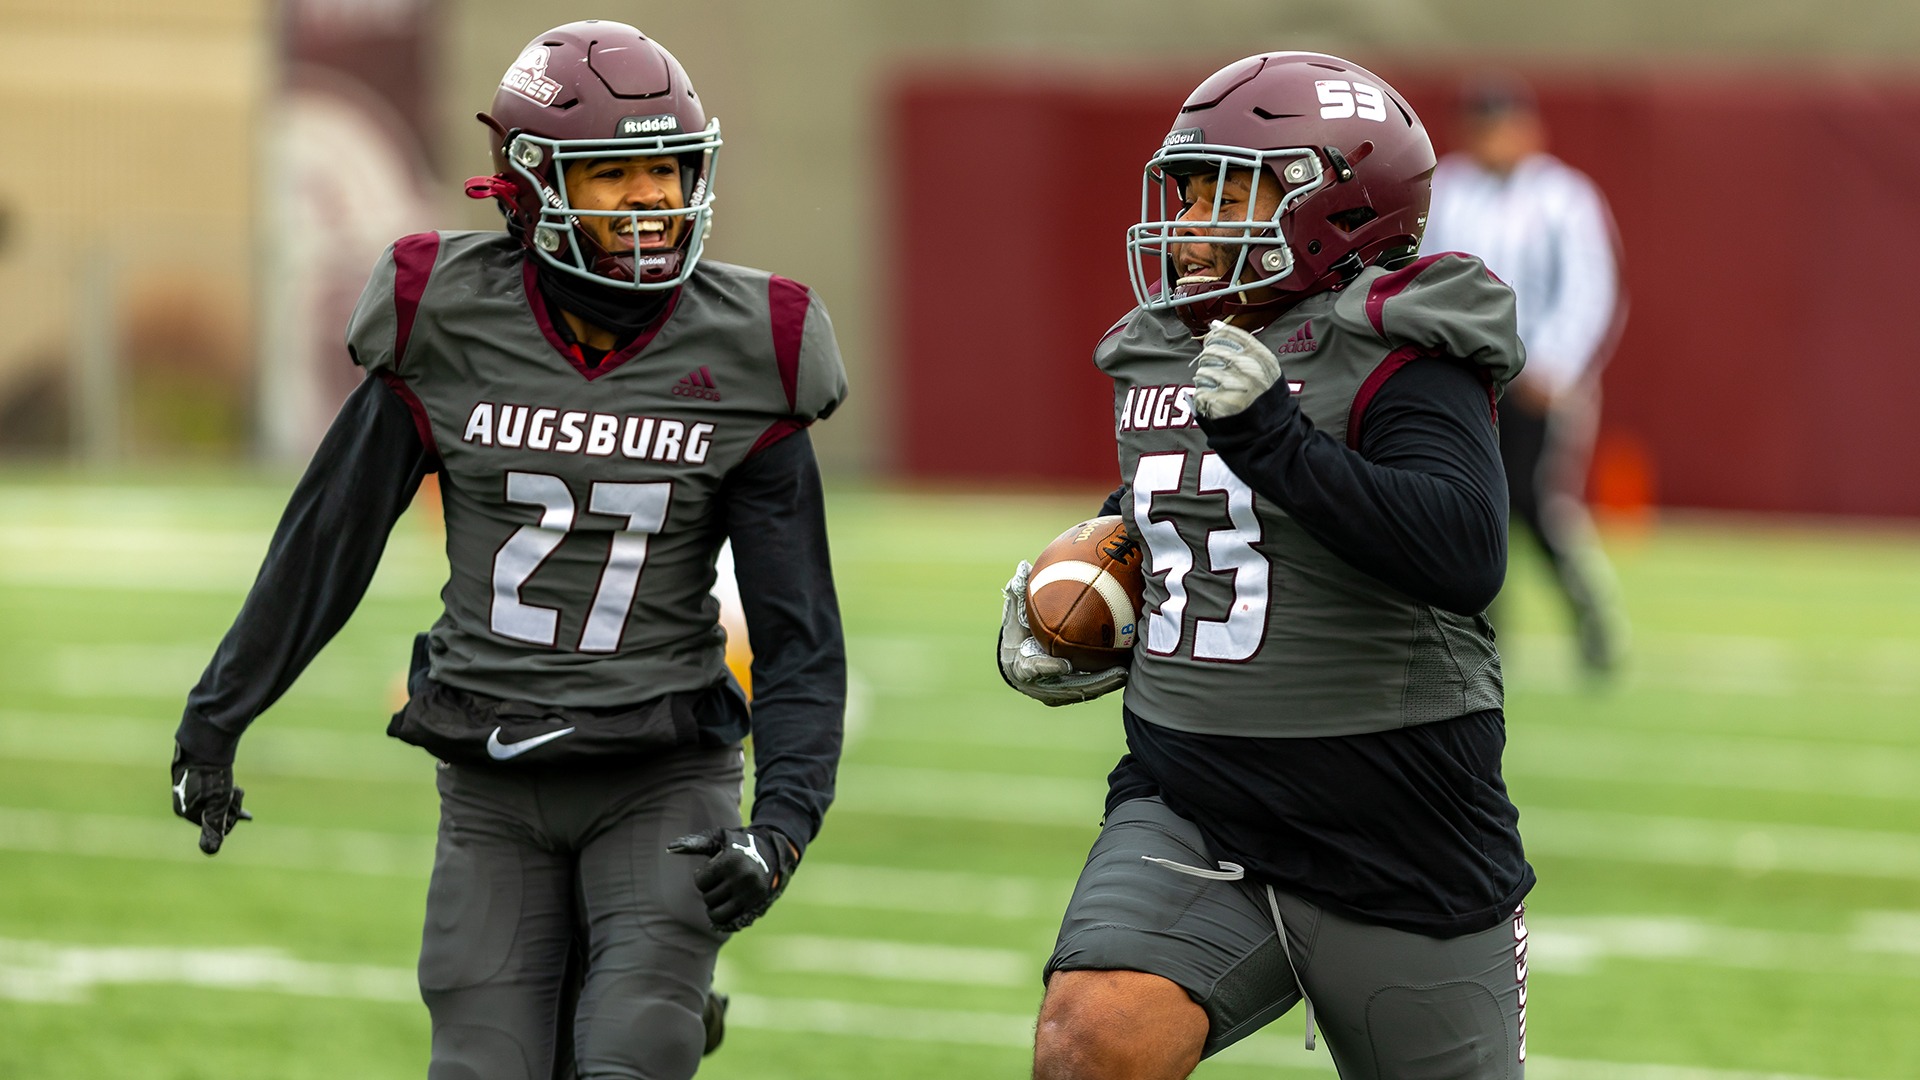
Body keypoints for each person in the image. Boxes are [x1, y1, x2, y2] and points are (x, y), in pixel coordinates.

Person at [169, 21, 848, 1080]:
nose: (652, 199)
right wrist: (219, 718)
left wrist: (784, 825)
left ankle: (655, 995)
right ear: (527, 185)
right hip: (489, 780)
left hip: (661, 775)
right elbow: (327, 542)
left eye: (668, 168)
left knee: (631, 1056)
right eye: (613, 172)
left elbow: (800, 627)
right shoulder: (442, 314)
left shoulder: (752, 345)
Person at [998, 53, 1533, 1079]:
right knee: (1088, 1036)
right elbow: (1181, 506)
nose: (1191, 219)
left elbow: (1465, 550)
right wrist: (1091, 592)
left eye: (1226, 189)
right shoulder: (1159, 346)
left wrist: (1277, 438)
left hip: (1399, 819)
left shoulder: (1396, 342)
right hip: (1192, 796)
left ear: (1335, 201)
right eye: (1186, 189)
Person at [1423, 74, 1626, 677]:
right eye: (1484, 125)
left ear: (1529, 128)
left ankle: (1590, 611)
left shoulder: (1564, 196)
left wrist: (1558, 365)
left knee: (1537, 505)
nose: (1495, 138)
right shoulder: (1450, 190)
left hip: (1537, 379)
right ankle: (1487, 628)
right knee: (1470, 502)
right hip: (1466, 375)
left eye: (1505, 124)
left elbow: (1592, 287)